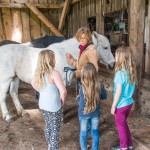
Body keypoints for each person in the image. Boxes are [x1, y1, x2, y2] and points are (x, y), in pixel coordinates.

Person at [31, 50, 67, 150]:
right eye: (54, 58)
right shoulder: (54, 73)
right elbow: (63, 91)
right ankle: (52, 147)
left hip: (42, 105)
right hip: (54, 106)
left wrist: (43, 91)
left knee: (48, 124)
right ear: (51, 60)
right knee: (55, 130)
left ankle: (49, 143)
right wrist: (62, 100)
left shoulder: (38, 72)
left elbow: (32, 83)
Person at [111, 47, 137, 150]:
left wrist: (113, 106)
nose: (115, 57)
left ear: (121, 58)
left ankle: (124, 147)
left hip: (120, 105)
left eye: (116, 55)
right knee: (124, 125)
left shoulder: (120, 73)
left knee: (121, 128)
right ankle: (129, 145)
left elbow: (118, 92)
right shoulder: (130, 72)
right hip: (129, 103)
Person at [78, 62, 102, 150]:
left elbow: (80, 103)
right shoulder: (99, 85)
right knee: (95, 132)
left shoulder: (81, 87)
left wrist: (78, 98)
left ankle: (84, 148)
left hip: (84, 114)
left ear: (83, 74)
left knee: (83, 133)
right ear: (94, 73)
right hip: (95, 113)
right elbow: (104, 96)